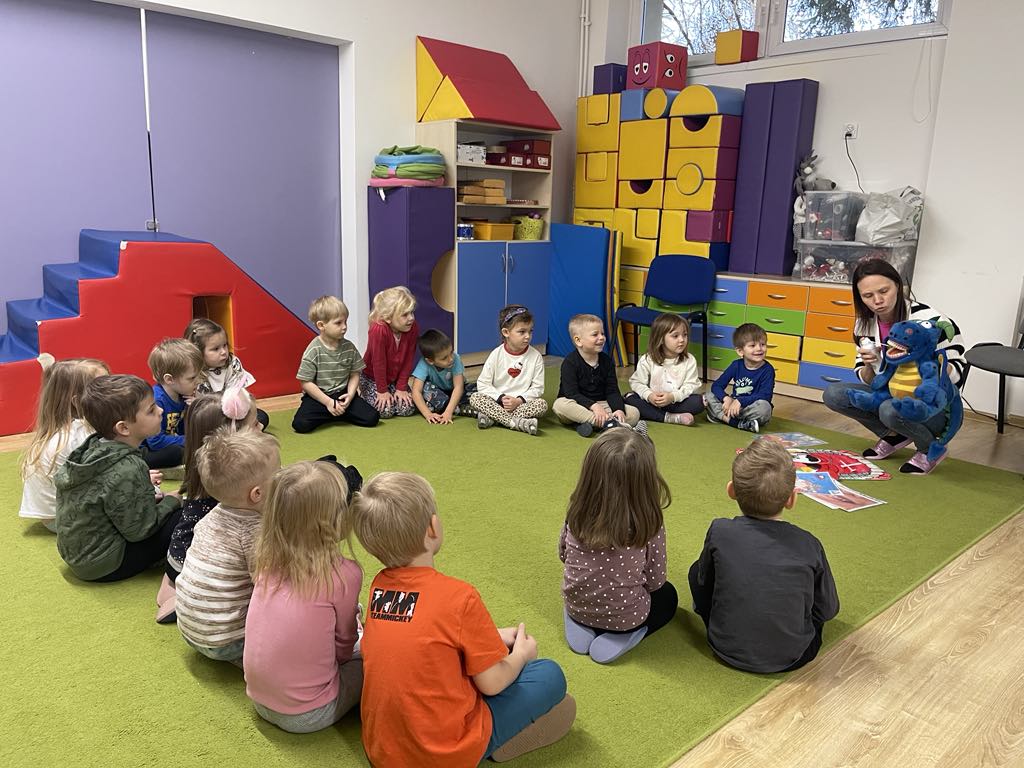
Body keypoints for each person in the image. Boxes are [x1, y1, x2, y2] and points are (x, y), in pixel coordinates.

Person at [351, 471, 575, 765]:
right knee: (549, 674)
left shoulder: (379, 588)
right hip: (444, 752)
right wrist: (521, 655)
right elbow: (492, 683)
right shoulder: (459, 596)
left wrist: (491, 636)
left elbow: (423, 636)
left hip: (383, 751)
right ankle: (490, 740)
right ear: (433, 527)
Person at [688, 438, 840, 674]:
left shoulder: (720, 530)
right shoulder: (809, 544)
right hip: (794, 656)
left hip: (724, 646)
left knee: (696, 570)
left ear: (731, 491)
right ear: (791, 499)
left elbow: (703, 579)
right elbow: (828, 610)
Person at [244, 461, 363, 733]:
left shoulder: (266, 560)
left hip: (260, 701)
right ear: (334, 521)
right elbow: (344, 647)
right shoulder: (344, 574)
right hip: (311, 713)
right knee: (371, 658)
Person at [822, 258, 965, 475]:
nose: (878, 301)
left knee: (890, 408)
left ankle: (929, 449)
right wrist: (870, 363)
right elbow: (870, 380)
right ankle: (896, 434)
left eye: (884, 291)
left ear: (898, 286)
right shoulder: (864, 324)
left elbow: (958, 375)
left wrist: (928, 361)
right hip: (891, 392)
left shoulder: (930, 320)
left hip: (934, 405)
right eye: (868, 296)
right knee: (834, 394)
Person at [560, 429, 677, 663]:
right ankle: (626, 634)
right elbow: (655, 581)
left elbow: (563, 554)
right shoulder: (649, 521)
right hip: (626, 618)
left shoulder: (577, 512)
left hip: (577, 606)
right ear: (646, 481)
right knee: (668, 596)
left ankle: (580, 622)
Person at [54, 375, 182, 582]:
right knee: (184, 515)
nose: (160, 411)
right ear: (123, 428)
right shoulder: (129, 467)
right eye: (151, 410)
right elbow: (141, 530)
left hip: (78, 556)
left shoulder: (93, 447)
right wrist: (171, 502)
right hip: (105, 564)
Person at [175, 429, 281, 665]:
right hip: (227, 641)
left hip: (190, 630)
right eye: (279, 472)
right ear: (257, 494)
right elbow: (269, 588)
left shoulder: (210, 518)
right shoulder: (254, 533)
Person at [155, 389, 260, 624]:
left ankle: (171, 586)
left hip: (176, 557)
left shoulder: (203, 474)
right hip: (194, 567)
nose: (261, 427)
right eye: (254, 425)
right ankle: (181, 596)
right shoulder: (231, 484)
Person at [19, 357, 110, 532]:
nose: (113, 391)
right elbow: (100, 483)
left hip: (55, 515)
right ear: (78, 401)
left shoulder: (68, 430)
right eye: (103, 389)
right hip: (66, 519)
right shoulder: (80, 436)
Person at [292, 295, 379, 433]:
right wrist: (328, 402)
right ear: (321, 325)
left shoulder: (349, 347)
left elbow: (355, 373)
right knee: (300, 424)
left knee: (372, 418)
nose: (344, 327)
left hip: (343, 395)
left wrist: (350, 395)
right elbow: (306, 383)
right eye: (338, 323)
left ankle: (338, 411)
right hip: (319, 397)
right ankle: (333, 411)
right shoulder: (313, 350)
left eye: (345, 322)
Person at [554, 313, 644, 437]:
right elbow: (571, 393)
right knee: (559, 405)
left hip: (602, 404)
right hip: (577, 404)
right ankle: (608, 424)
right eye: (595, 334)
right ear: (578, 340)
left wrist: (618, 409)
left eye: (602, 333)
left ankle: (591, 424)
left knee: (634, 413)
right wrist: (593, 406)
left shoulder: (607, 361)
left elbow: (612, 391)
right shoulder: (570, 363)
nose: (601, 338)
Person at [469, 304, 548, 436]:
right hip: (497, 402)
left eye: (530, 331)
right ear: (506, 332)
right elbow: (483, 383)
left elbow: (538, 388)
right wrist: (500, 398)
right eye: (522, 332)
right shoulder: (496, 354)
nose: (528, 336)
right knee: (475, 398)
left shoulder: (536, 357)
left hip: (520, 404)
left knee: (541, 405)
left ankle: (493, 418)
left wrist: (518, 401)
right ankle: (513, 423)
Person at [183, 317, 269, 429]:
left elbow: (238, 396)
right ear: (198, 351)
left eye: (225, 345)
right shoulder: (191, 373)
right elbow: (194, 406)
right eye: (216, 349)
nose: (223, 352)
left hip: (230, 412)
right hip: (207, 416)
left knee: (262, 416)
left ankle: (239, 430)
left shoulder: (232, 363)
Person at [624, 313, 704, 426]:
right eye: (675, 336)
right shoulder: (647, 359)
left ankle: (656, 414)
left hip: (675, 403)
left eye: (685, 335)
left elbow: (691, 385)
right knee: (630, 398)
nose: (682, 340)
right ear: (661, 339)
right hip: (652, 402)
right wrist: (649, 395)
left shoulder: (689, 360)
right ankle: (669, 417)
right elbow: (637, 382)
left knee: (699, 402)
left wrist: (672, 397)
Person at [140, 337, 203, 469]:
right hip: (146, 450)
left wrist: (195, 408)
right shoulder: (157, 401)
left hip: (168, 442)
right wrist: (188, 440)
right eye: (192, 378)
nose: (198, 381)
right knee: (177, 453)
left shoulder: (183, 394)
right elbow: (155, 442)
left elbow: (181, 428)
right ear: (169, 379)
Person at [359, 286, 419, 418]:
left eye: (411, 312)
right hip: (373, 378)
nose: (411, 318)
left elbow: (409, 359)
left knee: (406, 409)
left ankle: (392, 391)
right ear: (388, 318)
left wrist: (401, 387)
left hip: (394, 379)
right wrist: (382, 391)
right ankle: (364, 395)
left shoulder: (412, 327)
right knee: (385, 411)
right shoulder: (378, 330)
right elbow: (378, 363)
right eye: (405, 315)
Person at [704, 323, 775, 433]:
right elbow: (717, 385)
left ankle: (723, 417)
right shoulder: (736, 365)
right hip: (733, 405)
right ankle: (739, 423)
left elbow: (765, 395)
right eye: (752, 345)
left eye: (762, 344)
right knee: (708, 396)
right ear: (740, 351)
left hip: (750, 407)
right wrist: (726, 398)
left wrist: (740, 401)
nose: (759, 349)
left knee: (765, 408)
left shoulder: (768, 370)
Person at [410, 328, 477, 423]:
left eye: (451, 352)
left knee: (476, 388)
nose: (451, 359)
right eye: (444, 358)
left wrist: (448, 412)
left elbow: (458, 387)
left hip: (456, 392)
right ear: (430, 361)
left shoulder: (455, 358)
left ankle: (453, 408)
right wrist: (427, 414)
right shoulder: (424, 364)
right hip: (439, 394)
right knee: (426, 388)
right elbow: (416, 391)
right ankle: (459, 408)